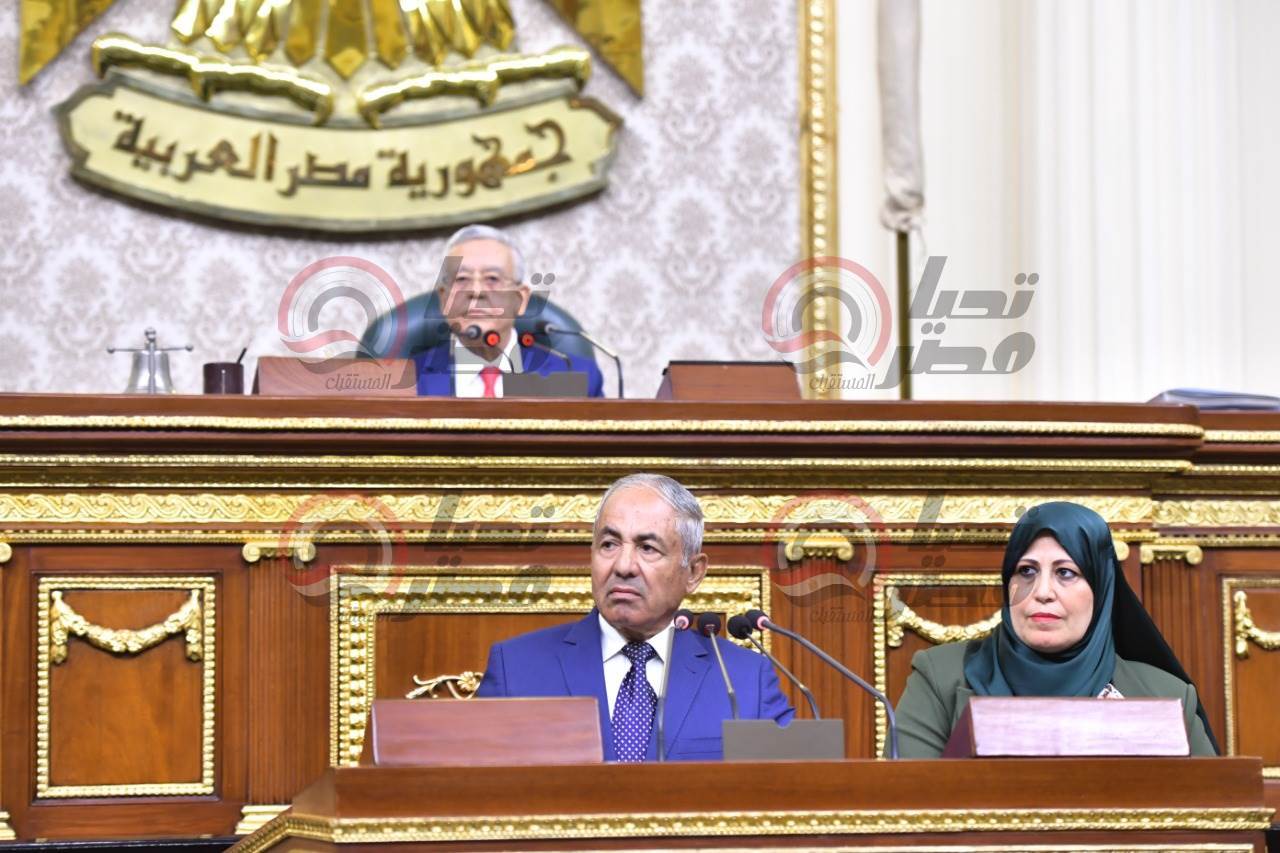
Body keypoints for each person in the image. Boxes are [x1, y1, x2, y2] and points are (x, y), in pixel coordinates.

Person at [476, 473, 794, 760]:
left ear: (694, 573)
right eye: (609, 544)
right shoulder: (516, 668)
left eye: (647, 548)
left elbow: (792, 790)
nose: (623, 566)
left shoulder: (743, 679)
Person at [894, 501, 1218, 758]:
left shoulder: (1167, 696)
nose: (1042, 591)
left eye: (1065, 573)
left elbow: (1210, 810)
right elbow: (908, 803)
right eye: (1026, 571)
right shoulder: (940, 677)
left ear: (1102, 588)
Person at [414, 224, 605, 397]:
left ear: (520, 299)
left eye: (492, 278)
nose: (476, 291)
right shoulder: (408, 380)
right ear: (443, 299)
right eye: (462, 279)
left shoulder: (576, 377)